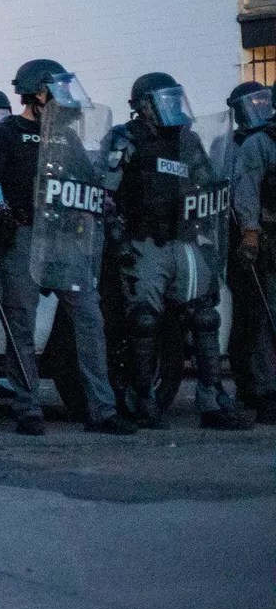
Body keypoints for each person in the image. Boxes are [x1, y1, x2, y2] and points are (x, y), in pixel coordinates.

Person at [0, 59, 137, 437]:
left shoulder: (67, 136)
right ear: (37, 93)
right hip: (24, 235)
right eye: (56, 90)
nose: (65, 98)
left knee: (90, 320)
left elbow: (87, 182)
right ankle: (27, 408)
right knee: (21, 325)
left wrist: (105, 199)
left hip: (66, 240)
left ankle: (101, 409)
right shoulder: (8, 133)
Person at [105, 74, 252, 430]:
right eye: (163, 99)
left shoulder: (187, 140)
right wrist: (119, 241)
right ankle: (143, 397)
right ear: (143, 105)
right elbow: (106, 194)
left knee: (205, 317)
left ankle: (212, 399)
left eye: (175, 98)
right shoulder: (126, 139)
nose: (172, 106)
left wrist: (208, 241)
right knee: (143, 321)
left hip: (184, 239)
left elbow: (207, 188)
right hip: (144, 241)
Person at [225, 81, 276, 423]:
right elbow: (246, 191)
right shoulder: (260, 143)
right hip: (267, 240)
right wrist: (251, 234)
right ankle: (265, 391)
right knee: (263, 318)